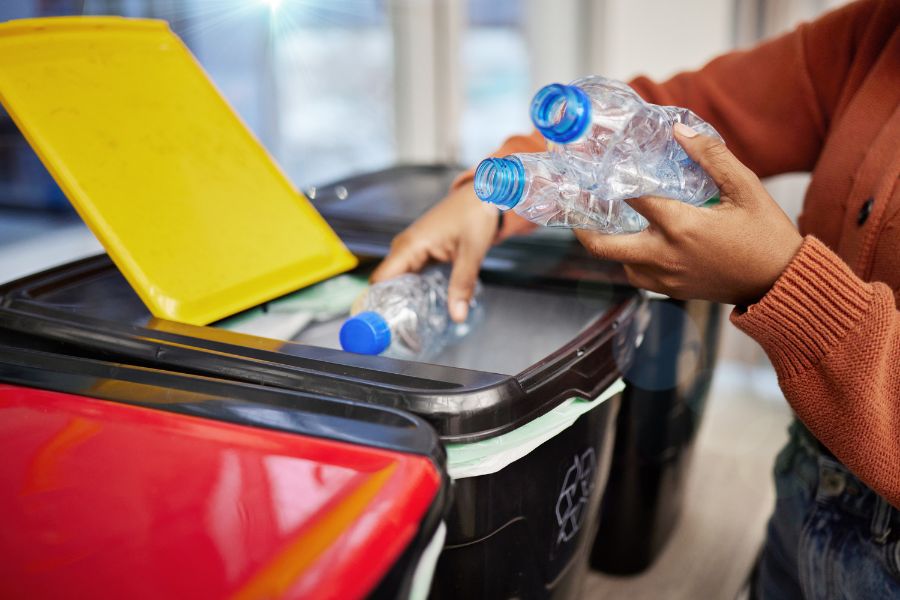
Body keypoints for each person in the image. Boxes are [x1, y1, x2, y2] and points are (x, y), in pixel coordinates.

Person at [372, 1, 900, 598]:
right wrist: (498, 185)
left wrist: (783, 282)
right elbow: (675, 116)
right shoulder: (878, 31)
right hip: (814, 471)